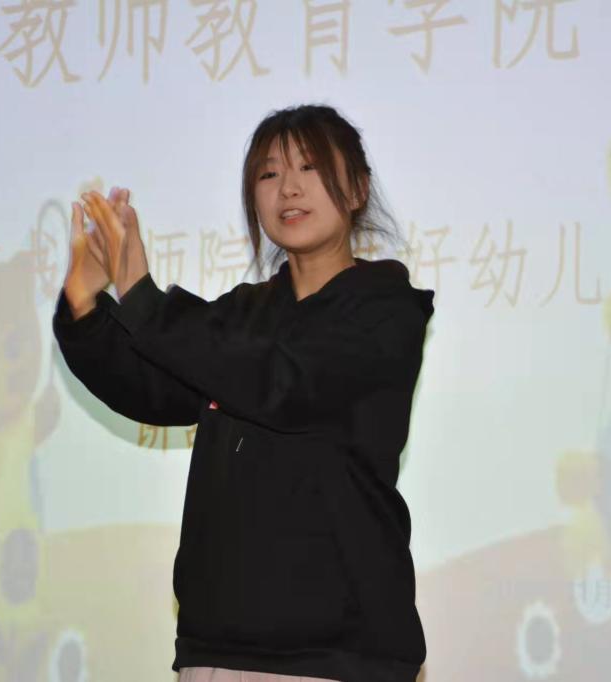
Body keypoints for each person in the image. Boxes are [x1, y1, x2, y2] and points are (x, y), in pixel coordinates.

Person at [52, 104, 435, 682]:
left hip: (339, 655)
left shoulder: (386, 310)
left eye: (309, 167)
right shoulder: (241, 315)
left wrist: (143, 296)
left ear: (357, 188)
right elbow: (149, 387)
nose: (288, 188)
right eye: (269, 173)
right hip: (215, 649)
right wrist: (84, 306)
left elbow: (283, 383)